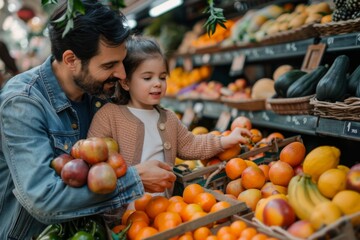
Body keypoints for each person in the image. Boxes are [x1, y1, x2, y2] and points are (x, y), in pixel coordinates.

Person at [0, 1, 176, 239]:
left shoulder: (101, 90)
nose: (122, 74)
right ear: (71, 60)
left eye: (122, 62)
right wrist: (134, 179)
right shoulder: (23, 104)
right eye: (109, 65)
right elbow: (43, 198)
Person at [87, 35, 251, 197]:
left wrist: (224, 140)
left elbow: (191, 144)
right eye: (147, 77)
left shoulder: (169, 119)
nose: (157, 83)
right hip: (124, 214)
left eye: (163, 77)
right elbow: (94, 163)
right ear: (125, 82)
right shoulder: (108, 116)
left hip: (165, 212)